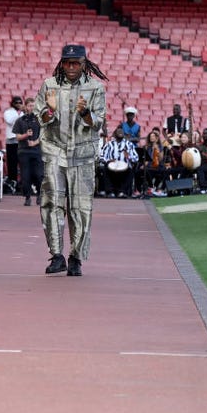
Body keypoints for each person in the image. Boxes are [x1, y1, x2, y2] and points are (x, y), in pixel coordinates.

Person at [35, 44, 107, 277]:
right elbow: (41, 117)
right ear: (62, 63)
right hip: (54, 150)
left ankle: (76, 257)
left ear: (84, 63)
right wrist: (51, 110)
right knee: (51, 202)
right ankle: (56, 255)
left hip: (83, 154)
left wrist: (85, 113)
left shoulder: (95, 87)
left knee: (81, 207)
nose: (71, 67)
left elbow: (99, 121)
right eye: (68, 62)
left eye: (76, 63)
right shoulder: (50, 85)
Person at [12, 97, 43, 206]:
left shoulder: (40, 120)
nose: (32, 108)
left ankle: (40, 194)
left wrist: (34, 142)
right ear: (26, 106)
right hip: (23, 151)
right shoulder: (20, 121)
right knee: (25, 175)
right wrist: (26, 135)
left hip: (36, 151)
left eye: (33, 105)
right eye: (30, 105)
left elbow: (44, 136)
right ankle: (27, 197)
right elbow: (17, 137)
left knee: (39, 174)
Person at [99, 126, 139, 198]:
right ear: (114, 134)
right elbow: (102, 156)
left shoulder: (129, 144)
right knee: (104, 169)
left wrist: (129, 157)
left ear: (124, 134)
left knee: (131, 171)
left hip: (125, 168)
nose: (120, 132)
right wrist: (108, 161)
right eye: (118, 131)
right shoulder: (109, 144)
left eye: (121, 131)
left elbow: (136, 158)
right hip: (111, 167)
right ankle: (110, 192)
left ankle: (122, 191)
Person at [3, 95, 24, 188]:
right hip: (11, 140)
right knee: (12, 162)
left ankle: (22, 182)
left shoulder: (23, 113)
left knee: (22, 162)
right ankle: (12, 181)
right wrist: (19, 114)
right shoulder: (8, 112)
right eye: (17, 103)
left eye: (20, 103)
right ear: (12, 103)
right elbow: (10, 121)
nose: (19, 105)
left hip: (21, 140)